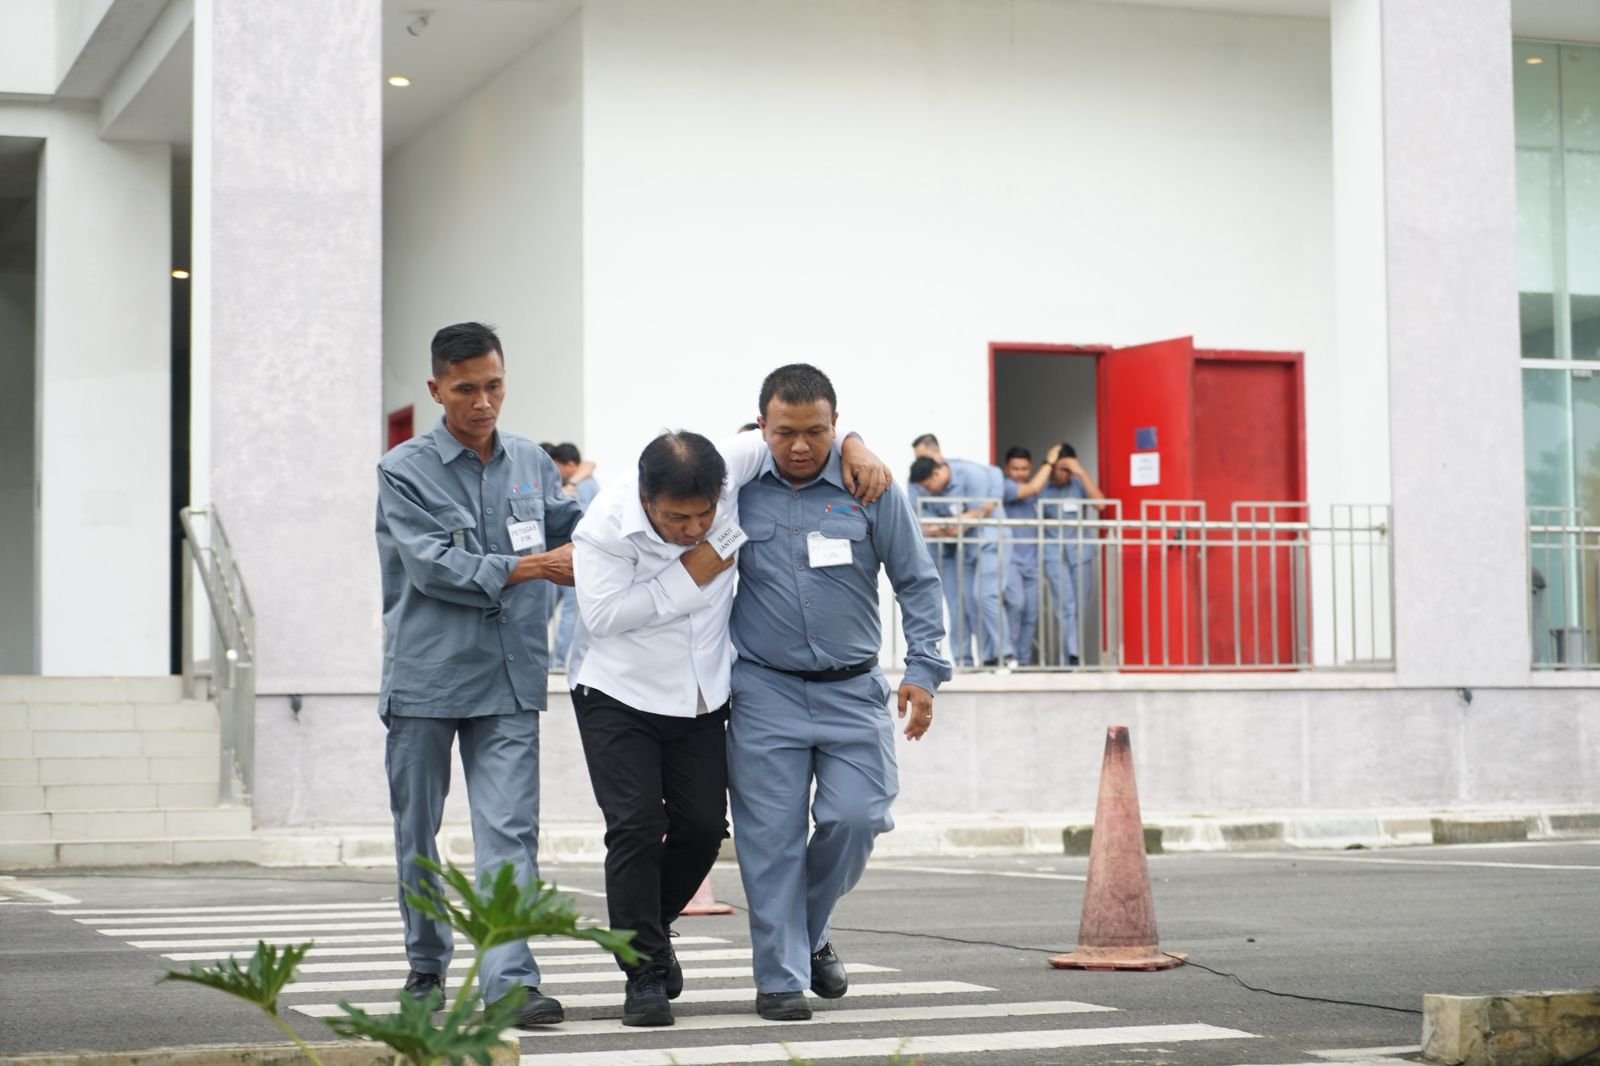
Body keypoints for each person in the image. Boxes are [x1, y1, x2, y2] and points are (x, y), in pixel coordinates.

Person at [567, 428, 890, 1027]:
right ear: (644, 498)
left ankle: (654, 928)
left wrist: (855, 442)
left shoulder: (729, 466)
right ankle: (642, 974)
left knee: (700, 828)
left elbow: (790, 427)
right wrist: (697, 569)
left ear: (721, 490)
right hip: (617, 693)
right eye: (674, 518)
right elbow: (605, 615)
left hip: (701, 692)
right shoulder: (604, 528)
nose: (690, 528)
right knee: (637, 827)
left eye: (702, 516)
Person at [374, 321, 584, 1028]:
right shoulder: (403, 470)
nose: (484, 402)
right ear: (436, 389)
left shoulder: (531, 460)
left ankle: (510, 981)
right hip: (427, 679)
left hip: (509, 678)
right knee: (418, 834)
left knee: (508, 833)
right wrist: (533, 566)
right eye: (466, 389)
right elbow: (433, 566)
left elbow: (577, 531)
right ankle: (426, 966)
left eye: (494, 385)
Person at [728, 365, 951, 1022]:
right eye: (786, 432)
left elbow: (917, 582)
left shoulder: (870, 487)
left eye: (818, 432)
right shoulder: (737, 489)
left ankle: (805, 929)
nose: (801, 446)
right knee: (769, 840)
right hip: (764, 690)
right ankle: (779, 978)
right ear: (761, 427)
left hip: (854, 691)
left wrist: (925, 669)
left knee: (857, 819)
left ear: (836, 423)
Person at [907, 439, 1005, 666]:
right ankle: (963, 660)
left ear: (938, 454)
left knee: (977, 600)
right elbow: (918, 517)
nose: (920, 460)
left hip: (966, 545)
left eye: (925, 456)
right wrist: (949, 526)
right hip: (941, 548)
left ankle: (989, 657)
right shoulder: (917, 480)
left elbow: (992, 481)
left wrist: (988, 503)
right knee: (955, 605)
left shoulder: (963, 470)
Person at [1039, 443, 1106, 666]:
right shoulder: (1043, 486)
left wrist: (1081, 472)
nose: (1064, 474)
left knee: (1080, 603)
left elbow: (1100, 503)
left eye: (1068, 470)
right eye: (1061, 469)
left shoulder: (1078, 484)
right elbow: (1030, 496)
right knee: (1065, 604)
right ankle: (1072, 656)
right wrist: (1049, 465)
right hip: (1053, 552)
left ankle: (1069, 654)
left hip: (1079, 551)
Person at [998, 444, 1063, 665]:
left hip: (1033, 560)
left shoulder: (1036, 490)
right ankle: (1010, 657)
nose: (1020, 473)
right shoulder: (1005, 487)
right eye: (1015, 468)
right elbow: (1033, 487)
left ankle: (1023, 662)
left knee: (1031, 613)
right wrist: (1050, 461)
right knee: (1016, 605)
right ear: (1007, 468)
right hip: (1011, 560)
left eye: (1025, 468)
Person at [544, 442, 600, 669]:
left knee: (569, 610)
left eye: (558, 466)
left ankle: (557, 660)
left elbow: (580, 518)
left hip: (574, 555)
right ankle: (554, 659)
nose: (555, 472)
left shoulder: (583, 486)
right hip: (566, 554)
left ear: (569, 465)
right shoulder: (579, 481)